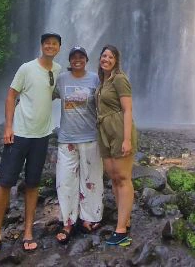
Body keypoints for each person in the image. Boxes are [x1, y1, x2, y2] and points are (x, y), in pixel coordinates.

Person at [0, 32, 63, 259]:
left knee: (33, 183)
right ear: (42, 45)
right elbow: (10, 96)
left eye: (54, 44)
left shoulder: (57, 71)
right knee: (5, 182)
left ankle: (28, 231)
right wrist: (8, 127)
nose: (50, 46)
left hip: (42, 135)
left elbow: (57, 94)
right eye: (47, 43)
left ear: (59, 48)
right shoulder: (26, 68)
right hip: (19, 133)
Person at [53, 45, 104, 243]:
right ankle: (67, 221)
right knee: (65, 181)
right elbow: (44, 95)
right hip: (66, 139)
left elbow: (107, 100)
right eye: (74, 57)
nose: (77, 60)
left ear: (86, 59)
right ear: (69, 61)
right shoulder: (62, 79)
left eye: (81, 56)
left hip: (91, 137)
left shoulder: (95, 79)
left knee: (92, 179)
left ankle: (90, 218)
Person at [96, 44, 138, 247]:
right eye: (104, 56)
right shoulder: (102, 81)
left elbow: (128, 110)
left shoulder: (120, 79)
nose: (107, 59)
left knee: (123, 177)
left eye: (111, 57)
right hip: (104, 132)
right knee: (113, 177)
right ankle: (125, 219)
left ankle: (121, 231)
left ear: (116, 61)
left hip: (120, 130)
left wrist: (127, 139)